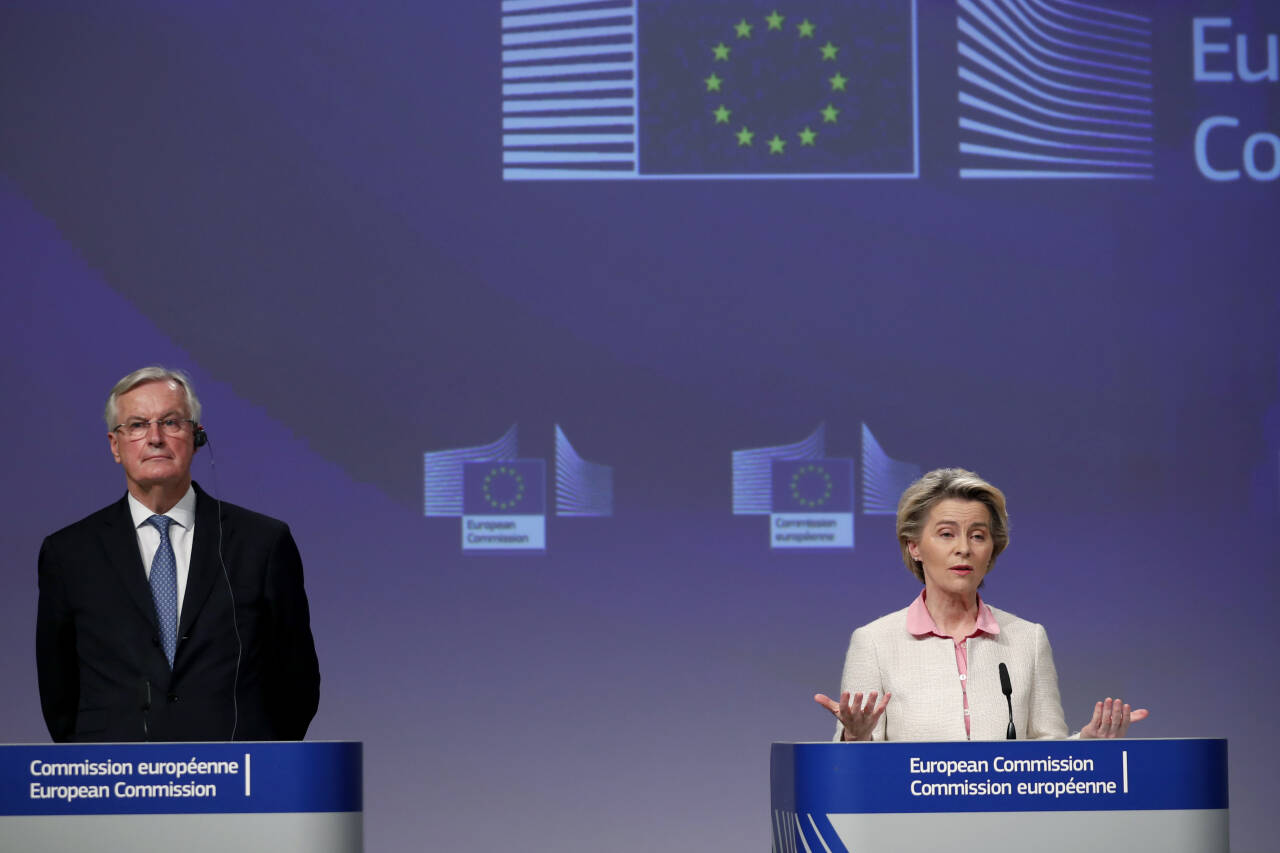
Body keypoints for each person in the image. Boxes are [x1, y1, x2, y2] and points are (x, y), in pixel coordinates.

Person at [36, 367, 320, 742]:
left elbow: (296, 682)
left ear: (195, 436)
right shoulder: (68, 554)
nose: (155, 438)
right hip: (116, 785)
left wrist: (262, 764)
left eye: (170, 422)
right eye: (137, 425)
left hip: (237, 781)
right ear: (114, 445)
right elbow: (59, 694)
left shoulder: (263, 544)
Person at [814, 468, 1147, 741]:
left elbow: (1049, 756)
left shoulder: (1028, 639)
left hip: (1008, 819)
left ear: (992, 549)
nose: (964, 548)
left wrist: (1089, 744)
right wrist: (855, 737)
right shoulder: (874, 642)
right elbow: (852, 776)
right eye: (946, 534)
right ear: (913, 546)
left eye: (977, 535)